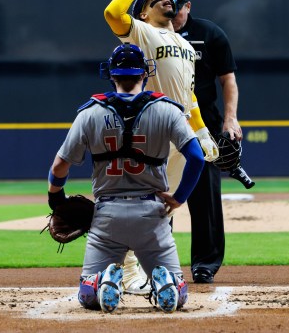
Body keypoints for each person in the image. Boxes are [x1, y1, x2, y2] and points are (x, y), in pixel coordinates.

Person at [47, 43, 205, 313]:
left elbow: (61, 165)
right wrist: (179, 198)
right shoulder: (168, 109)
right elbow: (197, 157)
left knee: (87, 296)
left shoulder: (89, 113)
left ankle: (101, 281)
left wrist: (55, 198)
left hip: (107, 216)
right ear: (145, 73)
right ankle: (165, 281)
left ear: (111, 75)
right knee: (179, 297)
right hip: (153, 215)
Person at [104, 0, 219, 294]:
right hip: (152, 125)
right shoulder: (142, 32)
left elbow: (190, 94)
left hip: (178, 127)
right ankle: (124, 270)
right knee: (139, 200)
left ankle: (151, 266)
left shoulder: (183, 44)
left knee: (161, 205)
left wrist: (202, 131)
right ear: (143, 13)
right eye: (157, 0)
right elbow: (112, 14)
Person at [167, 0, 243, 284]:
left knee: (205, 196)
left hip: (203, 123)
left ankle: (205, 263)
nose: (173, 16)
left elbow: (228, 81)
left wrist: (230, 120)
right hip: (160, 122)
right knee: (156, 191)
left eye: (177, 10)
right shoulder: (148, 34)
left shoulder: (209, 34)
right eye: (167, 10)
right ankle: (158, 260)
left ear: (188, 6)